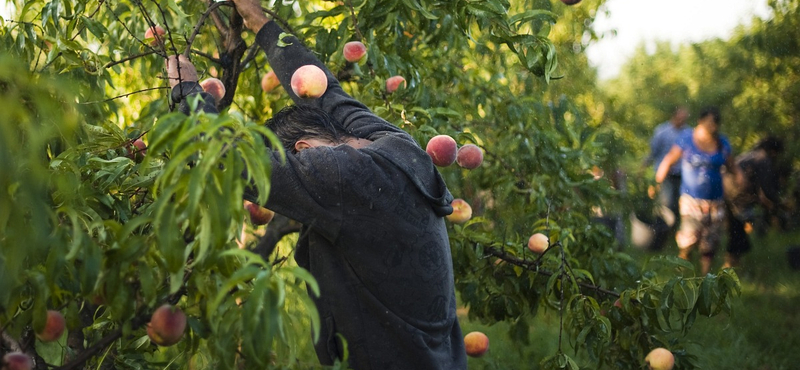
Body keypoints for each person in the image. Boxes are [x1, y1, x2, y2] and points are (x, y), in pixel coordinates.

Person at [162, 1, 468, 369]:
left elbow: (235, 160)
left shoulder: (342, 176)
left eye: (296, 162)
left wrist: (186, 92)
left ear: (304, 150)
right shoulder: (396, 146)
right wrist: (258, 20)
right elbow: (327, 93)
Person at [656, 107, 736, 275]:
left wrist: (739, 180)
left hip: (715, 201)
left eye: (715, 123)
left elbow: (732, 166)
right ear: (700, 121)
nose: (712, 126)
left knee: (710, 242)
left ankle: (704, 277)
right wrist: (658, 181)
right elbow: (669, 159)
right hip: (690, 200)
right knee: (688, 239)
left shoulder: (722, 143)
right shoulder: (687, 139)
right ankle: (682, 273)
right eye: (709, 122)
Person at [723, 136, 785, 267]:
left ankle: (733, 266)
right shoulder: (763, 160)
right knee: (739, 234)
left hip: (726, 195)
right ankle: (730, 267)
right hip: (738, 199)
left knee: (736, 232)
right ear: (774, 151)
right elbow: (767, 190)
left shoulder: (749, 155)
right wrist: (778, 204)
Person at [645, 106, 691, 224]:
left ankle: (674, 231)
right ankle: (661, 229)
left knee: (680, 204)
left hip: (682, 175)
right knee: (666, 204)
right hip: (665, 174)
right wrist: (644, 166)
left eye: (684, 118)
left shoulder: (688, 133)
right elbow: (653, 152)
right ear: (674, 116)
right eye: (680, 117)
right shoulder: (662, 131)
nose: (682, 121)